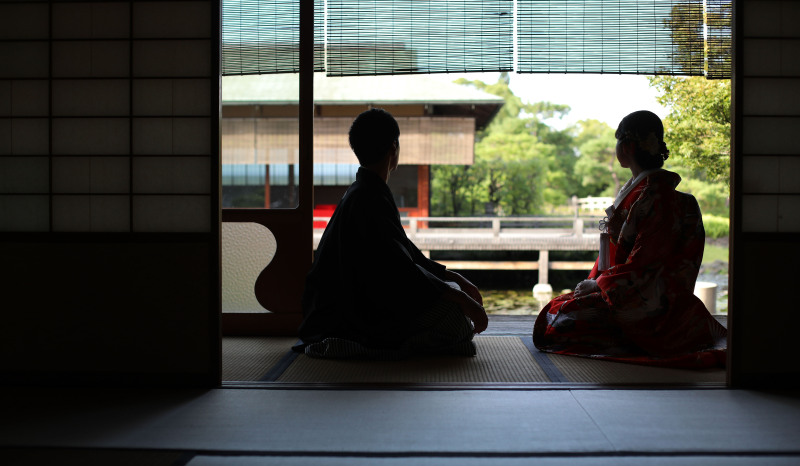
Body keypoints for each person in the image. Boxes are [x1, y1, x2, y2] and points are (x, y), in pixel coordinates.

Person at [533, 110, 727, 368]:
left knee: (557, 319)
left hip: (647, 306)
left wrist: (599, 285)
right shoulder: (653, 194)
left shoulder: (654, 198)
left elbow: (643, 263)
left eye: (617, 141)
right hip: (653, 295)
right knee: (562, 308)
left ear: (626, 147)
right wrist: (598, 282)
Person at [298, 108, 488, 359]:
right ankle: (389, 349)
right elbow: (402, 269)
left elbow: (407, 253)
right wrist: (462, 300)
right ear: (394, 148)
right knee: (456, 320)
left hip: (351, 306)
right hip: (349, 317)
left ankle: (402, 345)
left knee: (453, 306)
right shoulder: (367, 196)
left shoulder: (364, 191)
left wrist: (456, 280)